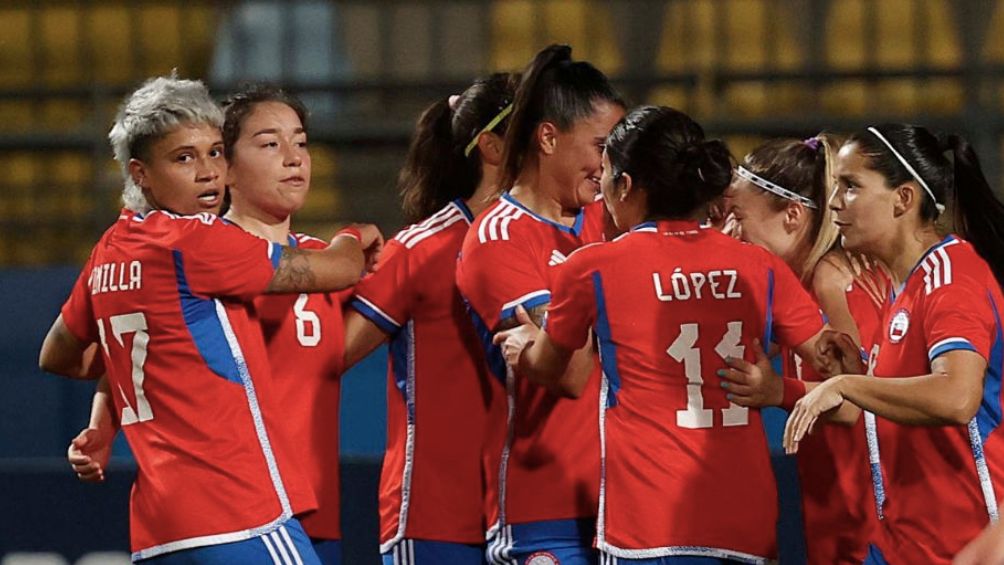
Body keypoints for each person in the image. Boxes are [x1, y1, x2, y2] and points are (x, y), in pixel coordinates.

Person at [40, 75, 382, 563]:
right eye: (184, 158)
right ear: (140, 173)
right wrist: (354, 233)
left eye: (215, 153)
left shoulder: (108, 253)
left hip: (161, 530)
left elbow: (61, 354)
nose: (207, 173)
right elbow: (343, 269)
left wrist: (105, 416)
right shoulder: (199, 242)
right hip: (237, 511)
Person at [493, 105, 831, 564]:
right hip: (746, 525)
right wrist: (782, 390)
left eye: (608, 175)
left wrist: (522, 349)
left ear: (627, 186)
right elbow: (843, 380)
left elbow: (553, 368)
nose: (600, 197)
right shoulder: (760, 267)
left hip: (646, 528)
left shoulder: (593, 268)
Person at [782, 124, 1004, 564]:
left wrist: (847, 387)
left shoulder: (951, 277)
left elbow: (958, 396)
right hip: (904, 543)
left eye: (851, 187)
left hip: (962, 543)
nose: (833, 203)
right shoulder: (903, 285)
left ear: (904, 199)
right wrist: (855, 375)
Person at [455, 44, 624, 564]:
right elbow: (569, 373)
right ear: (548, 137)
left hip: (626, 502)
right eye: (600, 146)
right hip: (543, 510)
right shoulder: (498, 239)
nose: (608, 165)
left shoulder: (609, 219)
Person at [340, 73, 518, 564]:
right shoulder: (421, 250)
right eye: (538, 130)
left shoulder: (563, 243)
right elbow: (326, 354)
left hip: (529, 514)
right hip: (435, 515)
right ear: (493, 147)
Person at [726, 134, 886, 563]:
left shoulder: (830, 279)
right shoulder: (793, 286)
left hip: (864, 512)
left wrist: (777, 391)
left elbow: (856, 400)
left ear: (792, 215)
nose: (730, 232)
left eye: (738, 216)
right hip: (831, 501)